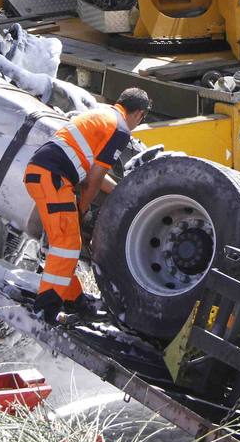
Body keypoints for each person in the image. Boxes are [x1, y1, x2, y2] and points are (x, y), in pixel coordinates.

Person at [23, 87, 150, 323]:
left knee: (63, 244)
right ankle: (45, 309)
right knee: (67, 244)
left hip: (41, 173)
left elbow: (94, 173)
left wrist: (122, 190)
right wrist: (82, 208)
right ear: (140, 114)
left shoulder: (101, 116)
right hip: (54, 178)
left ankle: (75, 301)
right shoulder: (120, 129)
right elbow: (94, 180)